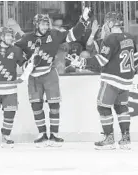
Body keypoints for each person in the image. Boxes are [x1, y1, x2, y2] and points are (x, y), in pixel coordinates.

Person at [14, 8, 91, 147]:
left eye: (46, 24)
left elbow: (73, 34)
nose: (45, 27)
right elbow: (15, 49)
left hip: (49, 73)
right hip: (33, 76)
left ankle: (54, 134)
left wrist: (83, 21)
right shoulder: (27, 38)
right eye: (42, 24)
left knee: (54, 104)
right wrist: (25, 63)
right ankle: (42, 134)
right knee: (36, 105)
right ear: (36, 25)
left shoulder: (54, 35)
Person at [70, 12, 138, 150]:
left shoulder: (110, 39)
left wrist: (81, 62)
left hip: (112, 79)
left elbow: (101, 60)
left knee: (103, 106)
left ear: (110, 23)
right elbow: (136, 61)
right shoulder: (130, 37)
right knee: (121, 107)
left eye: (106, 23)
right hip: (126, 81)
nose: (104, 27)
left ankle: (109, 138)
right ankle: (126, 139)